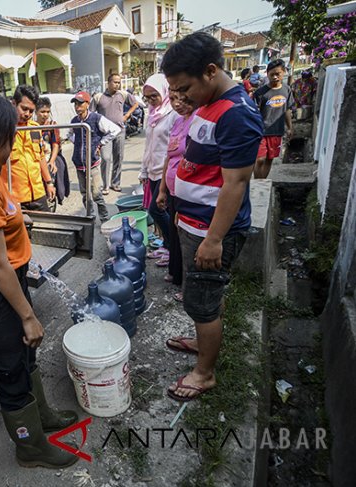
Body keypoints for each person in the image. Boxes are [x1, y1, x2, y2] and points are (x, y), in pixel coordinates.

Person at [0, 94, 79, 468]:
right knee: (11, 372)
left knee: (25, 357)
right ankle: (31, 447)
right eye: (13, 131)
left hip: (9, 285)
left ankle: (44, 419)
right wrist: (27, 315)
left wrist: (16, 222)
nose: (16, 136)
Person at [160, 31, 263, 402]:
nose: (181, 97)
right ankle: (201, 338)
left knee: (203, 301)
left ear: (210, 71)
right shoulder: (208, 104)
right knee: (197, 296)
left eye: (185, 87)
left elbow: (235, 184)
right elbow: (199, 166)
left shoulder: (237, 114)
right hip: (194, 224)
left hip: (212, 233)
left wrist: (214, 238)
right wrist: (182, 211)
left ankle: (204, 373)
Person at [156, 91, 197, 300]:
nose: (178, 103)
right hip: (173, 189)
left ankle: (188, 287)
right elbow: (168, 158)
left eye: (182, 98)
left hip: (189, 192)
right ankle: (176, 274)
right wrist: (162, 189)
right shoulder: (179, 122)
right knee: (174, 233)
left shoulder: (198, 121)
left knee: (187, 239)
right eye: (173, 99)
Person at [139, 74, 177, 267]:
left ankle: (173, 249)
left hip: (167, 173)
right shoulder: (152, 114)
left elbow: (173, 148)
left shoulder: (173, 114)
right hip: (153, 171)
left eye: (154, 96)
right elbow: (148, 145)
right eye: (147, 97)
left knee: (159, 210)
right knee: (157, 210)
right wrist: (143, 171)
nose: (151, 100)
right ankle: (167, 244)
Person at [68, 91, 120, 223]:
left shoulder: (96, 118)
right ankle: (90, 217)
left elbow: (115, 130)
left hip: (92, 163)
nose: (77, 107)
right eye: (75, 104)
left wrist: (100, 143)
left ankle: (104, 218)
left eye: (80, 103)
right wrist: (77, 142)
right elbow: (70, 134)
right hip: (79, 164)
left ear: (87, 104)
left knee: (97, 194)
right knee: (85, 194)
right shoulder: (74, 121)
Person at [1, 85, 55, 211]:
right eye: (24, 109)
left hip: (38, 193)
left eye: (31, 111)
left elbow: (40, 157)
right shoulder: (3, 129)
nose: (27, 114)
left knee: (48, 228)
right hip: (14, 197)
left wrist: (49, 182)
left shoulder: (34, 128)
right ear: (14, 103)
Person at [95, 73, 139, 193]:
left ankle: (115, 183)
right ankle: (105, 185)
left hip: (120, 130)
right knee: (105, 158)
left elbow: (135, 104)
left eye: (119, 82)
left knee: (118, 157)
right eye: (115, 82)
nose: (117, 84)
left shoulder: (123, 94)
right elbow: (92, 114)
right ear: (108, 83)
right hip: (105, 134)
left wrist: (127, 115)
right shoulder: (99, 97)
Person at [253, 59, 294, 179]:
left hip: (277, 131)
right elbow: (254, 112)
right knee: (260, 159)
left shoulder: (287, 90)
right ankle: (257, 182)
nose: (275, 77)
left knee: (270, 159)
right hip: (261, 131)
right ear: (267, 74)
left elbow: (287, 110)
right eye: (272, 74)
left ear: (283, 73)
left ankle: (263, 182)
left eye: (278, 74)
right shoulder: (260, 93)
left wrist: (290, 127)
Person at [36, 97, 70, 206]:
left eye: (47, 112)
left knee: (55, 169)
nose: (45, 114)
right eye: (42, 112)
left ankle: (54, 196)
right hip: (37, 157)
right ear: (36, 112)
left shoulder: (52, 125)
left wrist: (52, 161)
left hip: (52, 156)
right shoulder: (32, 126)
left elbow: (55, 145)